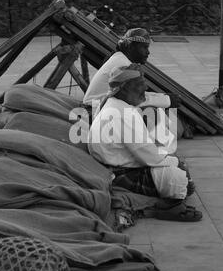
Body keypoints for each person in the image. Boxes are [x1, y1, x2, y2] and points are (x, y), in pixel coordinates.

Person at [88, 65, 202, 222]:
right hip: (119, 172)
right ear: (125, 88)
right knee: (177, 177)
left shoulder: (115, 102)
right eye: (140, 84)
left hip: (117, 163)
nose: (145, 87)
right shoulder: (121, 114)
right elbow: (150, 158)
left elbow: (147, 151)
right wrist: (176, 162)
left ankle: (169, 197)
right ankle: (169, 207)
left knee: (172, 164)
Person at [83, 27, 193, 139]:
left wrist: (163, 98)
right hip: (94, 112)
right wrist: (167, 100)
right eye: (144, 48)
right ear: (131, 47)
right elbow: (133, 98)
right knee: (151, 114)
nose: (148, 52)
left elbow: (134, 95)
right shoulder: (123, 65)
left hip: (98, 109)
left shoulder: (121, 59)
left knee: (156, 112)